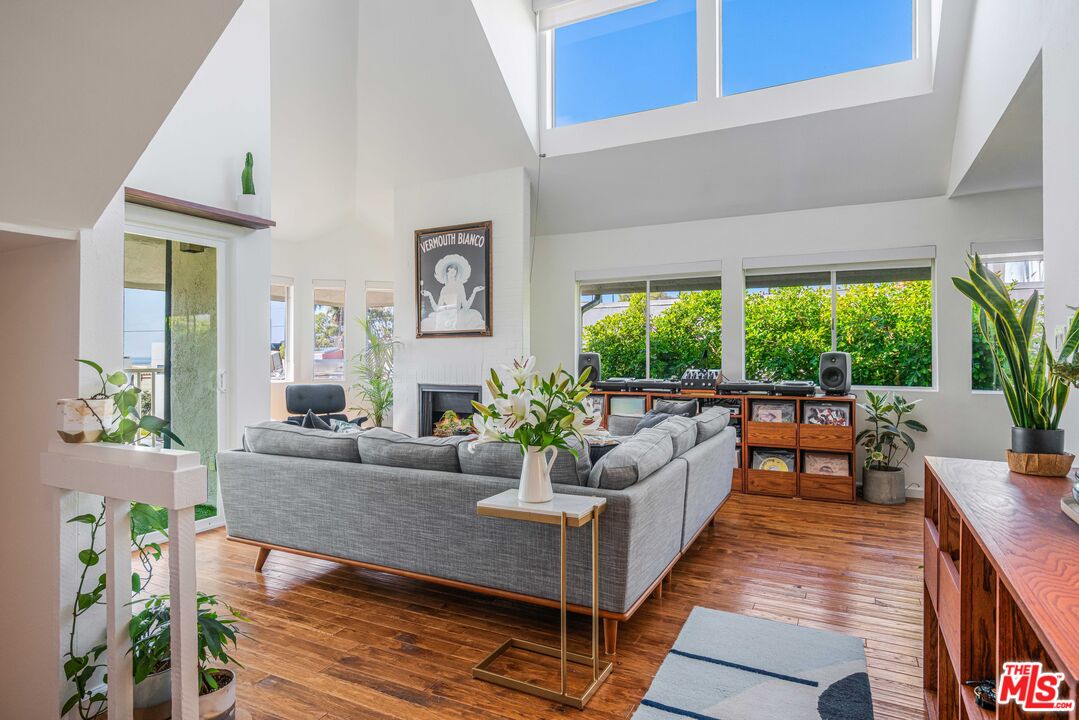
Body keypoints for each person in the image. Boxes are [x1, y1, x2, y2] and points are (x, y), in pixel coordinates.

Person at [420, 253, 485, 332]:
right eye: (451, 268)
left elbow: (465, 307)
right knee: (426, 324)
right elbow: (438, 309)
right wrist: (430, 295)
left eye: (455, 269)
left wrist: (474, 292)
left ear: (456, 273)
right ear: (447, 271)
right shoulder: (444, 289)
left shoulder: (460, 286)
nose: (453, 270)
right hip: (444, 317)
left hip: (458, 317)